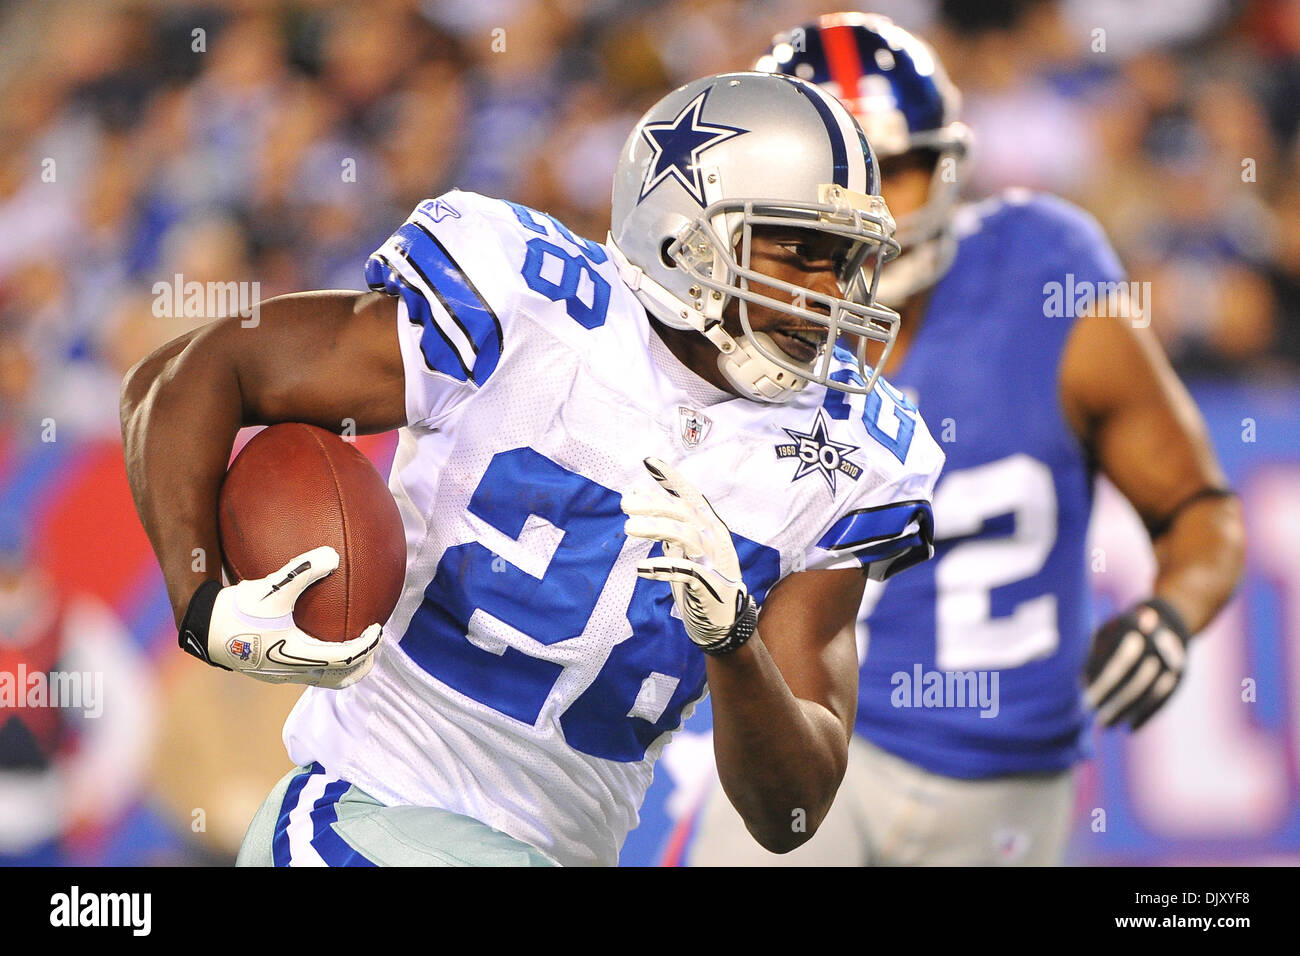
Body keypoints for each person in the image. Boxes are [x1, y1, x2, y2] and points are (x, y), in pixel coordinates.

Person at [119, 70, 945, 867]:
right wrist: (200, 601)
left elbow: (790, 812)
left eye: (843, 261)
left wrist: (733, 644)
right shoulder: (526, 304)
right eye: (800, 251)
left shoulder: (852, 453)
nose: (830, 293)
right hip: (374, 810)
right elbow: (191, 375)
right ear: (683, 232)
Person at [684, 13, 1245, 866]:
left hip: (1009, 781)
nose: (871, 212)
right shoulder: (720, 319)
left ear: (947, 166)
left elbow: (1199, 512)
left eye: (896, 170)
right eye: (840, 178)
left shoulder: (1045, 274)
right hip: (808, 740)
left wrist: (1170, 616)